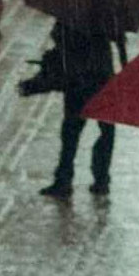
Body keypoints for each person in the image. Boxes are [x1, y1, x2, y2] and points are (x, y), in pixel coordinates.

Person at [37, 21, 116, 198]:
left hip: (78, 78)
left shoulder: (72, 10)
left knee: (71, 131)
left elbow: (59, 37)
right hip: (103, 77)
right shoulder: (109, 13)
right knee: (106, 131)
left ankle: (64, 180)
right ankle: (101, 178)